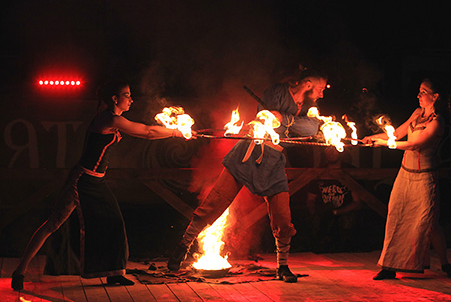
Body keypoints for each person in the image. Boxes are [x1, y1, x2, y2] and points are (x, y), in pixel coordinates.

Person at [11, 80, 185, 290]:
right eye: (127, 95)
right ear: (115, 98)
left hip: (96, 181)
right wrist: (176, 132)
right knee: (53, 223)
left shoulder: (114, 118)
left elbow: (147, 131)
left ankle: (113, 273)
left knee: (114, 223)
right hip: (82, 180)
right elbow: (147, 132)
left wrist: (179, 131)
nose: (131, 99)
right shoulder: (108, 119)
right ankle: (19, 271)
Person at [167, 69, 327, 283]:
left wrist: (284, 119)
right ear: (307, 84)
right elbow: (265, 118)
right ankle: (182, 248)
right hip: (247, 155)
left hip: (274, 163)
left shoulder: (309, 109)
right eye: (320, 89)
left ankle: (283, 266)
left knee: (283, 216)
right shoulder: (278, 91)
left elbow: (310, 127)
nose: (322, 94)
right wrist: (284, 122)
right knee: (214, 203)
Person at [363, 78, 451, 280]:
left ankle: (445, 263)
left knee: (428, 221)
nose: (418, 95)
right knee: (396, 216)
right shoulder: (417, 114)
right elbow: (397, 133)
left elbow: (415, 144)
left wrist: (385, 144)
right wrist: (373, 138)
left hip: (425, 177)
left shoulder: (437, 121)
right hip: (404, 174)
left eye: (423, 92)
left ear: (435, 96)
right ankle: (389, 266)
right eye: (419, 91)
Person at [305, 147, 363, 253]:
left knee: (347, 223)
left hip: (345, 212)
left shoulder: (350, 172)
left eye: (334, 149)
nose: (331, 153)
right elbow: (310, 200)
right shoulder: (318, 173)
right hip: (324, 212)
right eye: (328, 150)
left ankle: (345, 252)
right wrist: (314, 213)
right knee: (316, 223)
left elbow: (357, 202)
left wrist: (336, 212)